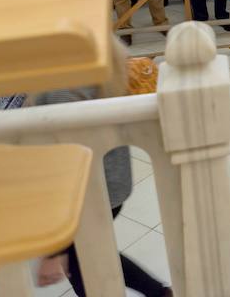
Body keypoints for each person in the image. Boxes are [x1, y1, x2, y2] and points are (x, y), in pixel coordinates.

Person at [33, 42, 174, 297]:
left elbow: (68, 158)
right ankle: (161, 293)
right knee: (93, 253)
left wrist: (55, 251)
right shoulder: (98, 51)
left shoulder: (63, 79)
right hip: (112, 180)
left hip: (90, 189)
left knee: (82, 263)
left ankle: (160, 293)